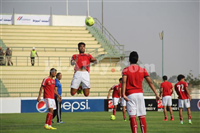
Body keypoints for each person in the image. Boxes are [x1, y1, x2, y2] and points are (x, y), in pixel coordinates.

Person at [122, 51, 160, 133]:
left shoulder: (125, 70)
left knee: (132, 117)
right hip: (139, 94)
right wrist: (156, 94)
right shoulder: (142, 70)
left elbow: (124, 82)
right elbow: (150, 82)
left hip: (130, 95)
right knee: (141, 116)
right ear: (138, 59)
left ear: (129, 60)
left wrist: (123, 94)